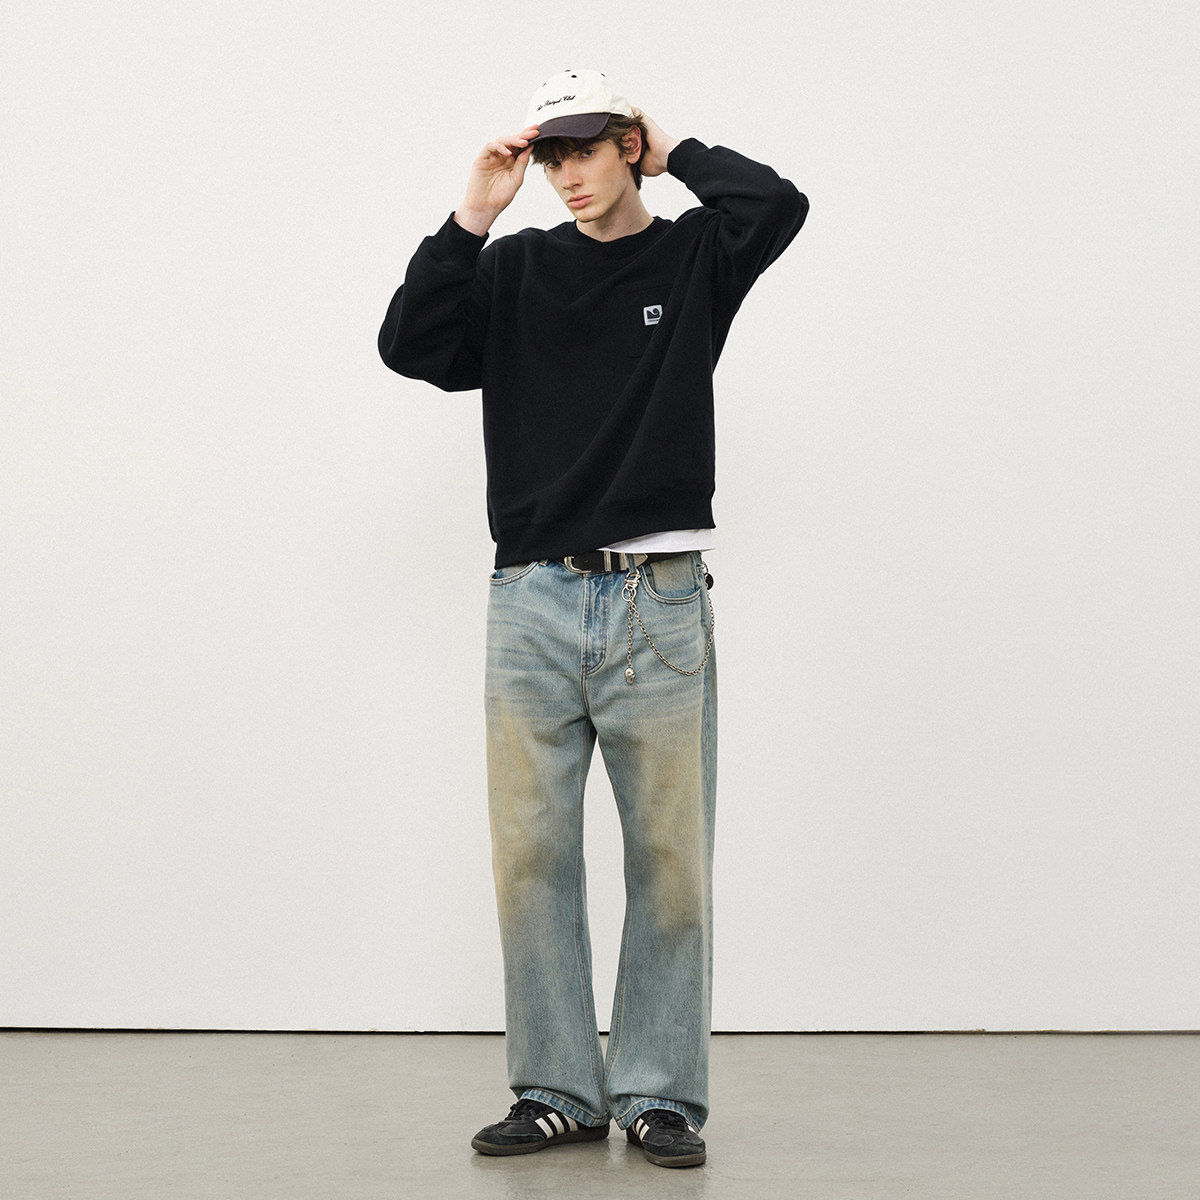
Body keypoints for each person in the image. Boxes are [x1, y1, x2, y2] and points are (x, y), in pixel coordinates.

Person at [378, 68, 807, 1169]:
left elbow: (776, 204)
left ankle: (660, 1093)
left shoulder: (694, 258)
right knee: (531, 857)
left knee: (670, 861)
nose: (567, 174)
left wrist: (676, 150)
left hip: (657, 600)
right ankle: (558, 1089)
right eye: (550, 156)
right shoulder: (516, 268)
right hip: (530, 597)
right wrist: (472, 215)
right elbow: (412, 346)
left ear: (625, 145)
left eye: (585, 149)